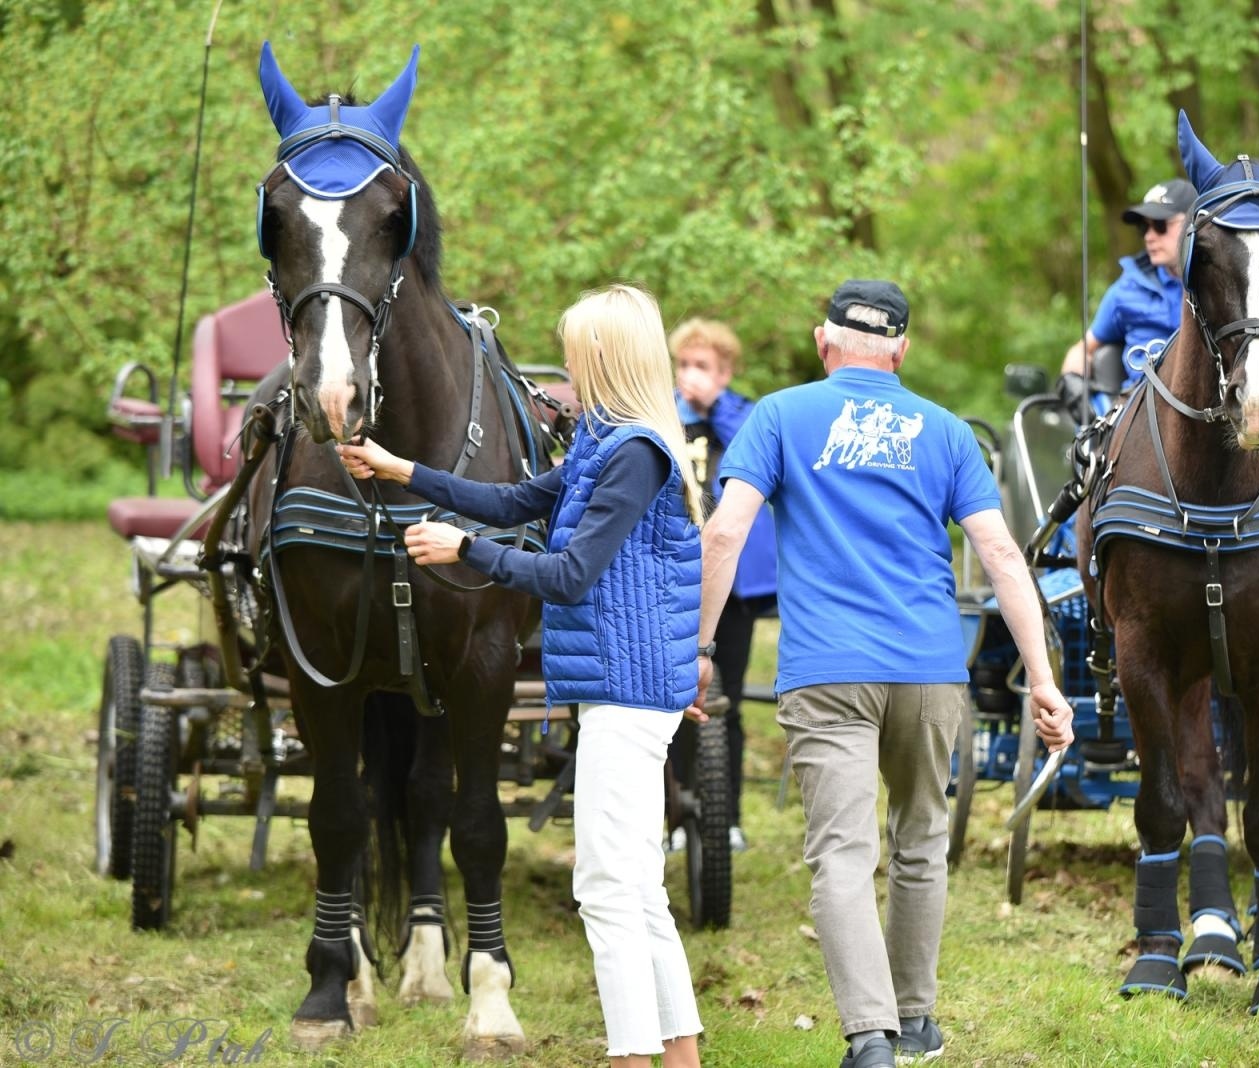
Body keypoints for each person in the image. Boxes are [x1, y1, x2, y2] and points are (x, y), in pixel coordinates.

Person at [693, 280, 1073, 1068]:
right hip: (930, 668)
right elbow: (1001, 554)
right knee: (921, 842)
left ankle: (870, 1037)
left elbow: (725, 533)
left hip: (827, 668)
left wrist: (696, 649)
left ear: (822, 340)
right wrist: (1042, 676)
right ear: (901, 351)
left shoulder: (779, 416)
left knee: (841, 852)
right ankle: (917, 1020)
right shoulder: (943, 431)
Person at [337, 284, 706, 1068]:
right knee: (639, 892)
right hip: (624, 689)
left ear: (604, 358)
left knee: (605, 893)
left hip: (626, 692)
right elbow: (508, 498)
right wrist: (400, 467)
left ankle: (631, 1057)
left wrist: (463, 550)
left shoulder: (635, 455)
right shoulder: (609, 445)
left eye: (577, 351)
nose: (567, 366)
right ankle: (676, 1056)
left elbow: (571, 576)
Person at [667, 318, 779, 854]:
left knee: (724, 700)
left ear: (725, 371)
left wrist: (717, 407)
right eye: (684, 365)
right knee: (669, 702)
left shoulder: (747, 416)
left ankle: (726, 817)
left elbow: (759, 460)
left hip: (730, 587)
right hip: (669, 574)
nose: (691, 376)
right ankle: (672, 816)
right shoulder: (662, 414)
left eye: (702, 367)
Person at [1060, 178, 1197, 405]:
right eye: (1144, 227)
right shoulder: (1126, 290)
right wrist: (1072, 382)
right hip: (1141, 411)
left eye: (1160, 225)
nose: (1149, 236)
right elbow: (1083, 349)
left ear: (1193, 224)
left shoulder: (1217, 285)